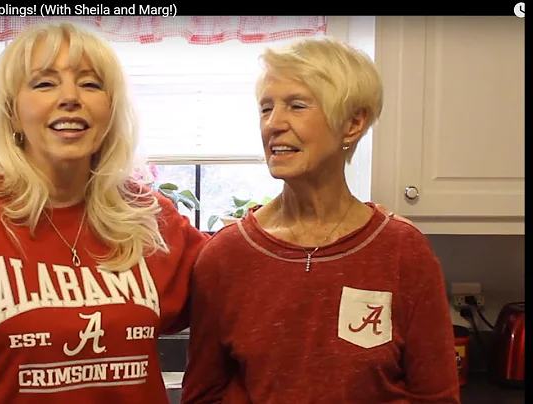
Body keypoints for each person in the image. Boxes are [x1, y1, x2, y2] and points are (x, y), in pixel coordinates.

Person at [0, 22, 208, 404]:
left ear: (110, 111)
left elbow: (237, 295)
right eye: (44, 83)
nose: (70, 97)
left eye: (91, 84)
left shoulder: (147, 216)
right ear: (12, 113)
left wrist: (281, 212)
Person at [181, 37, 460, 403]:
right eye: (266, 109)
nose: (273, 124)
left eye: (296, 105)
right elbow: (204, 394)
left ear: (352, 124)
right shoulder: (226, 255)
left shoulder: (402, 251)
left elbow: (435, 396)